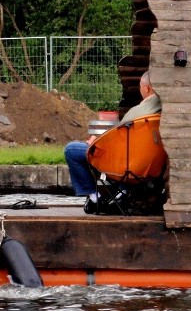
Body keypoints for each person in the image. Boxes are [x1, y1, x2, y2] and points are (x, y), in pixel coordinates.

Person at [64, 71, 162, 214]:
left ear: (146, 88)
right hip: (148, 167)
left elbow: (117, 139)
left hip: (123, 165)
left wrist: (95, 142)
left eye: (140, 86)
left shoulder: (137, 112)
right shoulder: (161, 111)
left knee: (71, 150)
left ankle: (93, 197)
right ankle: (122, 192)